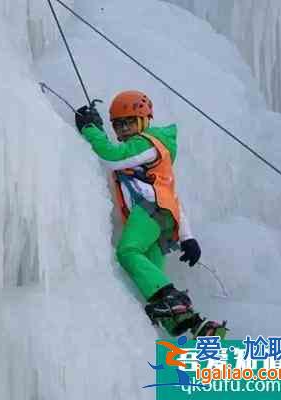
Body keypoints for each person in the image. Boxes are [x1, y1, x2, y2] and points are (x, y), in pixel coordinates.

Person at [75, 90, 227, 338]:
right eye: (118, 124)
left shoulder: (148, 143)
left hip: (149, 213)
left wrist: (90, 130)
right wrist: (188, 237)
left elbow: (112, 157)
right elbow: (173, 197)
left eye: (130, 122)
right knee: (151, 288)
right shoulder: (145, 154)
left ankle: (176, 302)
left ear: (144, 121)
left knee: (127, 252)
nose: (124, 129)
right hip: (161, 222)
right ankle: (196, 324)